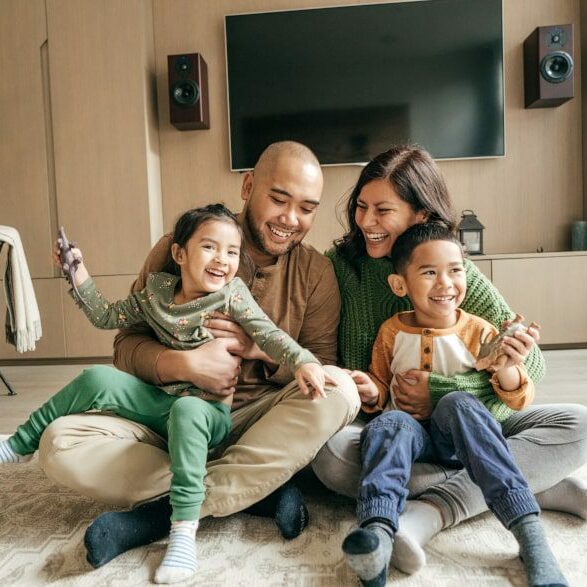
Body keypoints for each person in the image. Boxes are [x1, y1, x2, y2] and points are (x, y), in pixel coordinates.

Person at [35, 141, 360, 569]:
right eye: (279, 199)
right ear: (248, 186)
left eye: (306, 208)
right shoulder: (182, 245)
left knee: (340, 392)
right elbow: (125, 344)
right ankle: (252, 491)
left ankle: (157, 515)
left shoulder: (316, 273)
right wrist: (184, 364)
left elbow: (318, 363)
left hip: (256, 424)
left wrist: (258, 349)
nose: (290, 219)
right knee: (59, 444)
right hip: (168, 416)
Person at [312, 145, 587, 574]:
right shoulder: (339, 268)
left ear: (420, 214)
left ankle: (431, 512)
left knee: (578, 424)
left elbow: (530, 370)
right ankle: (537, 483)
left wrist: (442, 392)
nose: (366, 222)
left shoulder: (453, 272)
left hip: (469, 422)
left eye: (383, 210)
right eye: (361, 207)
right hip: (392, 427)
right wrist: (367, 388)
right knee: (330, 457)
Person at [340, 222, 567, 587]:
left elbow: (519, 398)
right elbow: (382, 385)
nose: (445, 283)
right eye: (429, 273)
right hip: (411, 444)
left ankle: (529, 533)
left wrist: (509, 368)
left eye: (455, 270)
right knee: (388, 424)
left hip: (466, 439)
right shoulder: (391, 331)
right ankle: (378, 536)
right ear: (400, 285)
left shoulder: (480, 331)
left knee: (459, 402)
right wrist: (371, 391)